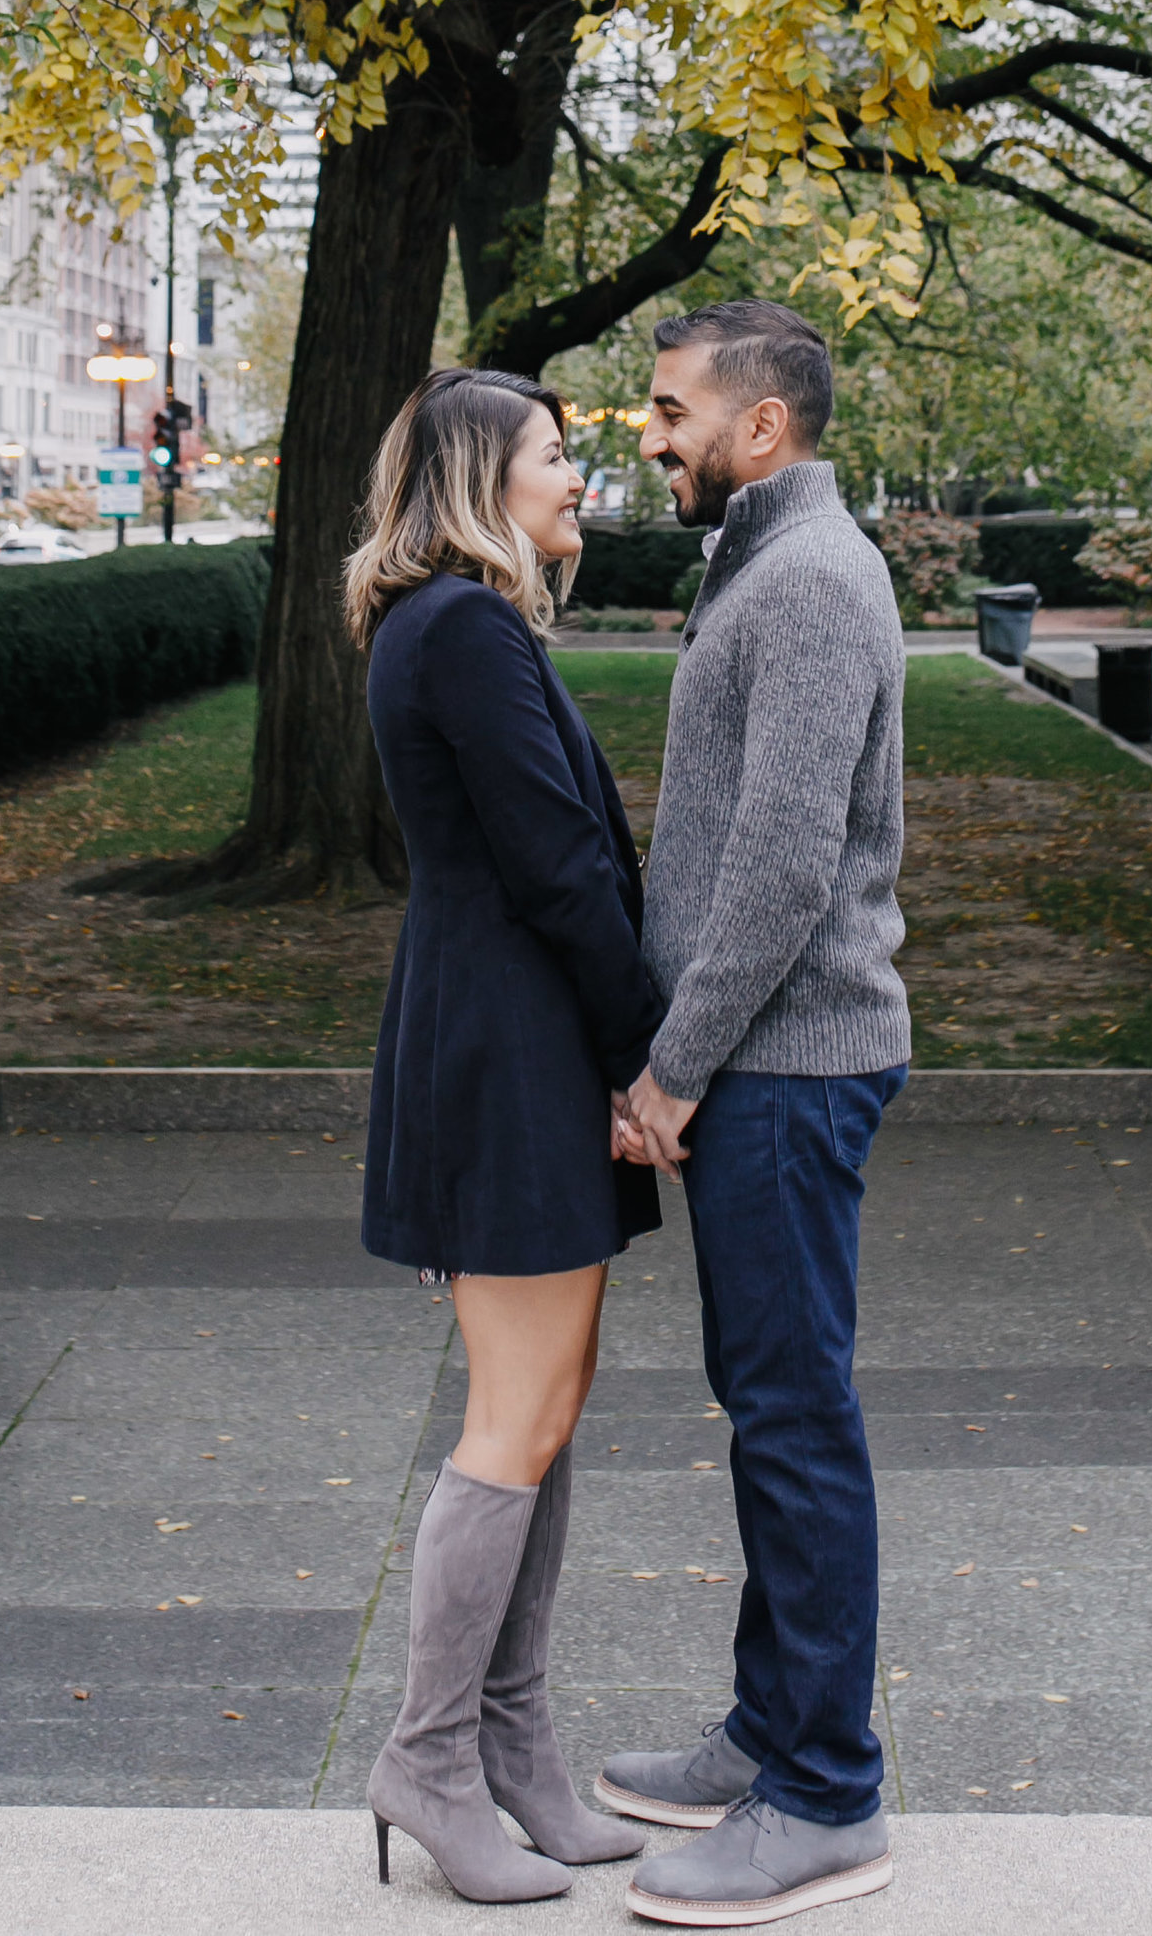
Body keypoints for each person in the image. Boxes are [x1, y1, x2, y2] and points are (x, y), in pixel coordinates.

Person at [601, 302, 907, 1928]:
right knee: (770, 1403)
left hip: (786, 1068)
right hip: (766, 1065)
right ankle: (766, 1732)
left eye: (669, 410)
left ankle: (828, 1793)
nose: (647, 434)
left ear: (760, 424)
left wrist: (675, 1066)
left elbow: (784, 867)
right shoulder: (763, 554)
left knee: (796, 1420)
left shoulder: (804, 579)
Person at [354, 366, 662, 1904]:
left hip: (500, 1039)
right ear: (482, 475)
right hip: (513, 1048)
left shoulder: (454, 620)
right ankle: (428, 1753)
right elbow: (556, 865)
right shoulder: (464, 628)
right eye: (553, 455)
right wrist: (644, 1054)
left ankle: (513, 1743)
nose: (578, 475)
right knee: (515, 1415)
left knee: (544, 1410)